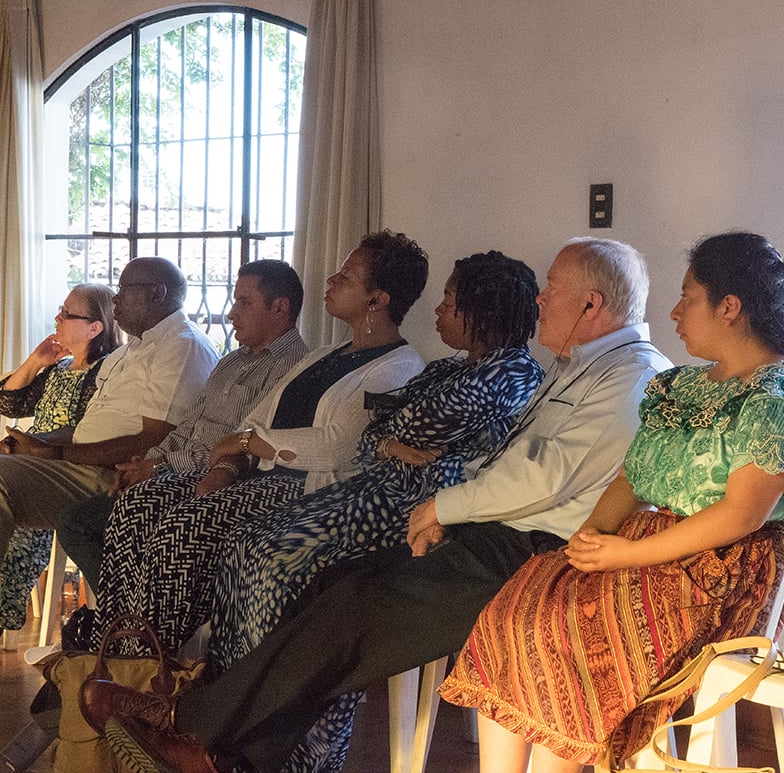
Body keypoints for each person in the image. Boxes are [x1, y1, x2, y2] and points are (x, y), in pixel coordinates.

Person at [80, 236, 673, 773]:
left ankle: (191, 727)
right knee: (330, 587)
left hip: (527, 550)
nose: (543, 300)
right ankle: (227, 748)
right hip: (484, 528)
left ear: (592, 305)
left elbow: (542, 475)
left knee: (349, 604)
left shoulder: (631, 377)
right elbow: (436, 446)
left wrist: (444, 504)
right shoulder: (578, 369)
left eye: (555, 289)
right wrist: (439, 484)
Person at [437, 232, 784, 772]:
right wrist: (588, 539)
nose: (674, 312)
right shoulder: (679, 387)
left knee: (561, 633)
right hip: (649, 550)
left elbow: (740, 515)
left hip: (718, 571)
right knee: (517, 607)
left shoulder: (780, 394)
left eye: (688, 297)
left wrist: (621, 555)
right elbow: (633, 477)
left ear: (730, 307)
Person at [199, 250, 544, 770]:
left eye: (451, 301)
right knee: (244, 545)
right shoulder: (453, 366)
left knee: (278, 562)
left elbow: (410, 426)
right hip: (374, 490)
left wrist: (392, 437)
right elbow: (375, 435)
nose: (439, 310)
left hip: (411, 513)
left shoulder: (513, 374)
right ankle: (227, 712)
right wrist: (391, 441)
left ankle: (298, 750)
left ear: (483, 310)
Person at [90, 230, 428, 656]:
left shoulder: (397, 367)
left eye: (346, 276)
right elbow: (254, 419)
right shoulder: (322, 356)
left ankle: (148, 662)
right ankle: (114, 646)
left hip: (302, 491)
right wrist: (228, 464)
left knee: (183, 527)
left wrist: (249, 444)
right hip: (256, 478)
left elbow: (336, 446)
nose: (331, 281)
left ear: (377, 300)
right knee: (137, 506)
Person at [0, 256, 219, 691]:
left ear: (156, 294)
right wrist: (34, 444)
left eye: (124, 290)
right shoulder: (133, 350)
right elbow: (88, 426)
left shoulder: (183, 347)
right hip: (73, 459)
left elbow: (150, 440)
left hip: (109, 475)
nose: (115, 299)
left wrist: (52, 451)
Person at [56, 259, 308, 593]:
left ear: (280, 308)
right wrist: (146, 463)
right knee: (92, 519)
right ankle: (130, 625)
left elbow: (240, 445)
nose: (232, 313)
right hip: (167, 469)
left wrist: (157, 464)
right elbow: (189, 423)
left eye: (243, 303)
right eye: (234, 301)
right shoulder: (232, 360)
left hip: (213, 480)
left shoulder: (293, 369)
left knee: (81, 523)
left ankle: (133, 625)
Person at [0, 284, 121, 646]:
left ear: (95, 327)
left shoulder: (107, 373)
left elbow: (89, 433)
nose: (57, 318)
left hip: (60, 460)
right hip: (27, 452)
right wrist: (35, 363)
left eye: (68, 314)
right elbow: (9, 404)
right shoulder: (60, 368)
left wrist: (31, 448)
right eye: (60, 310)